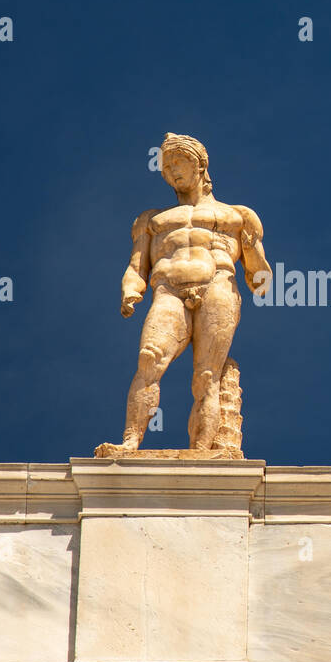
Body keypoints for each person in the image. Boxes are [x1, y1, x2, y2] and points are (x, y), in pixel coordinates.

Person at [113, 133, 271, 451]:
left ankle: (201, 452)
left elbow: (260, 278)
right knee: (149, 359)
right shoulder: (152, 220)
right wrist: (131, 289)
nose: (172, 170)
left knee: (207, 375)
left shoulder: (238, 216)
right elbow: (136, 265)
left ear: (199, 163)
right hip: (167, 290)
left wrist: (254, 253)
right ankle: (130, 442)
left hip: (218, 288)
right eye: (166, 167)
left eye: (177, 161)